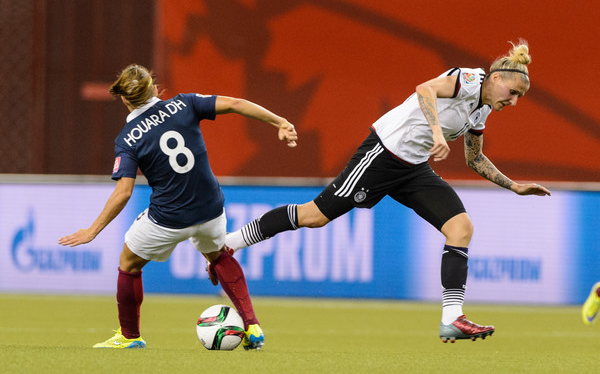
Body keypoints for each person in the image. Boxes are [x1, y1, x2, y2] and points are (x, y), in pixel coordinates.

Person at [222, 40, 551, 343]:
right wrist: (437, 133)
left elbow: (474, 157)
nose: (514, 101)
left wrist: (514, 186)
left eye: (519, 96)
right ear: (495, 78)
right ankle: (228, 244)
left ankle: (452, 318)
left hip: (413, 168)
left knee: (461, 227)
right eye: (513, 91)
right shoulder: (468, 79)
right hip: (383, 154)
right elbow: (425, 89)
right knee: (314, 216)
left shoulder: (483, 109)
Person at [58, 64, 298, 349]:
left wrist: (92, 230)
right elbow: (235, 104)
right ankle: (252, 325)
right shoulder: (184, 103)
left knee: (129, 263)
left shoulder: (128, 138)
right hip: (210, 208)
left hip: (169, 218)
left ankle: (129, 337)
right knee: (217, 255)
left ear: (125, 98)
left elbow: (123, 192)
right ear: (155, 88)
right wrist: (280, 121)